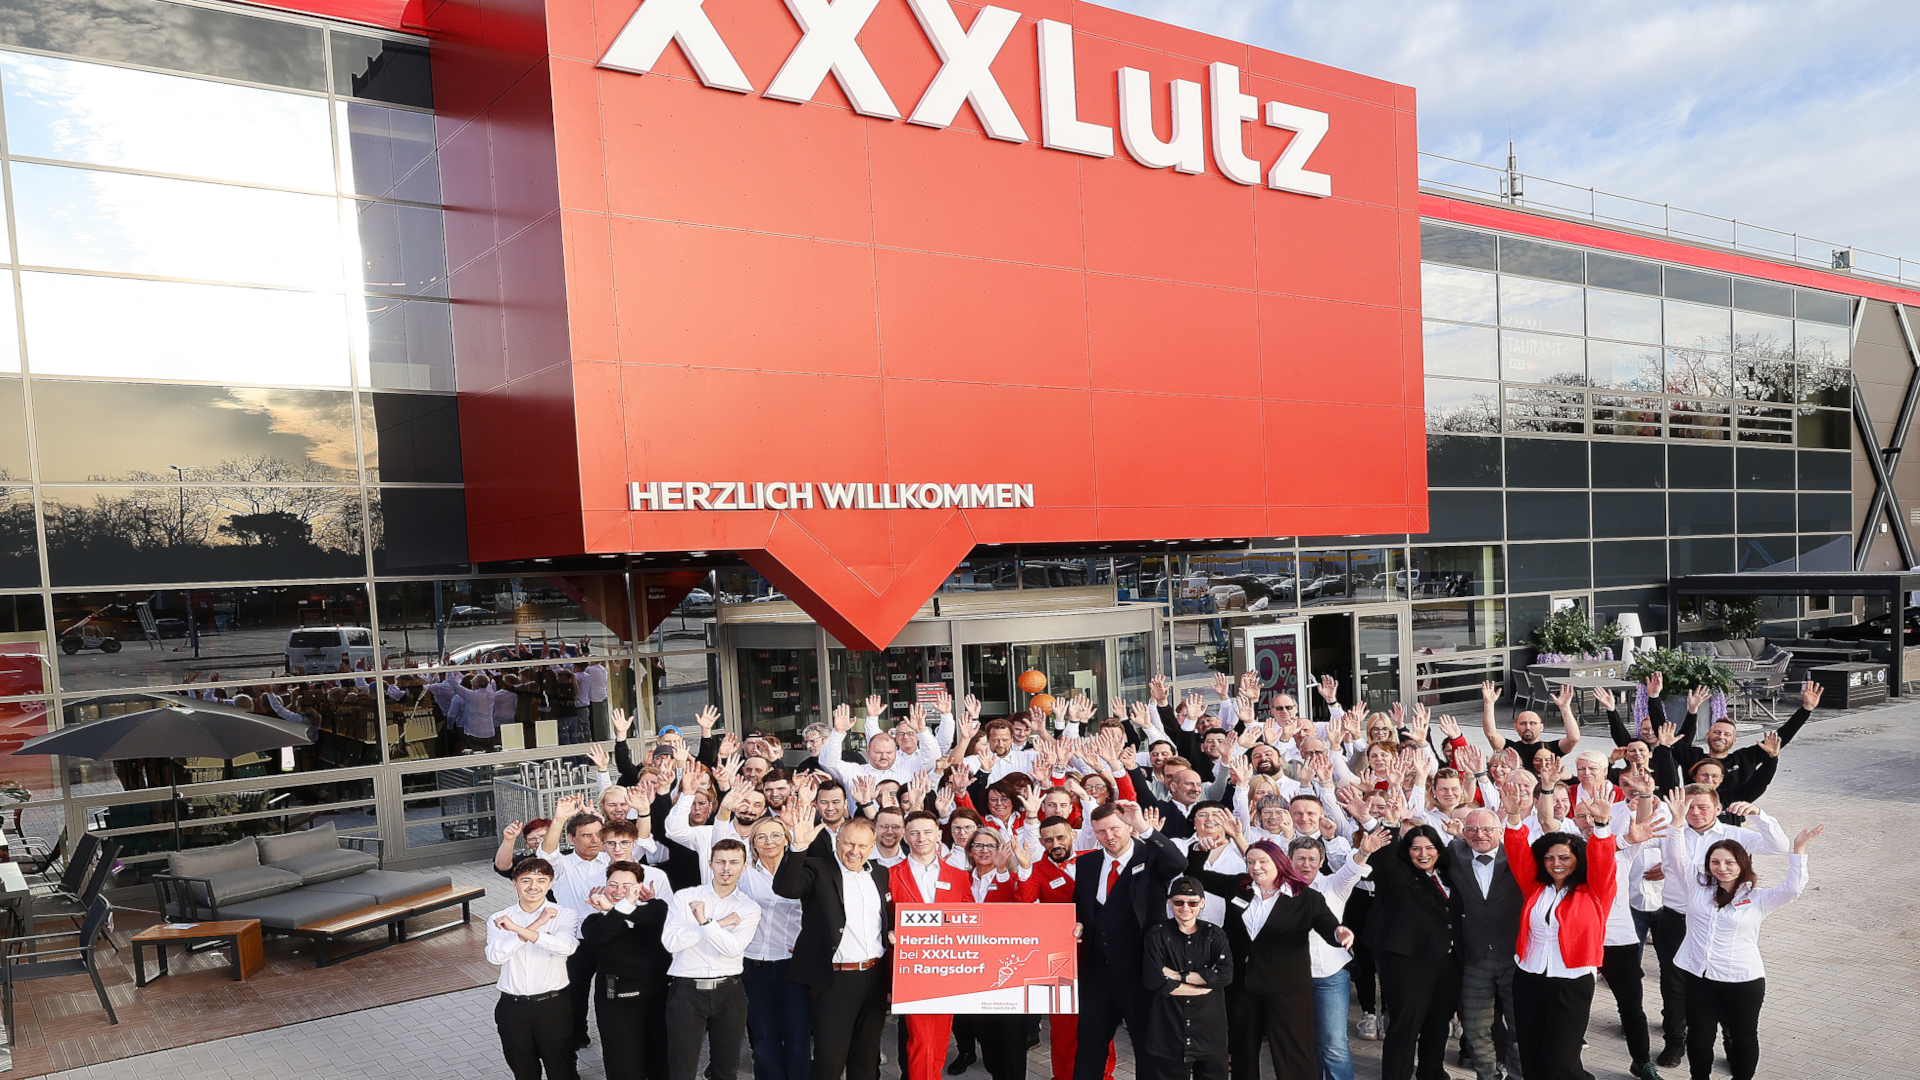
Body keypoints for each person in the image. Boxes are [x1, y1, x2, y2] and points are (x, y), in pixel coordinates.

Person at [1662, 790, 1822, 1080]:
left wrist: (1798, 851)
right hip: (1700, 977)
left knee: (1743, 1037)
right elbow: (1676, 857)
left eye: (1729, 863)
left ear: (1742, 865)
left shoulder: (1758, 898)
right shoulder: (1696, 888)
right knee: (1699, 1038)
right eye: (1715, 863)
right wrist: (1675, 823)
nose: (1722, 869)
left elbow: (1793, 889)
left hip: (1742, 981)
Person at [1649, 784, 1790, 1068]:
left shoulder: (1733, 834)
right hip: (1674, 919)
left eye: (1703, 806)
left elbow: (1778, 847)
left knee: (1722, 985)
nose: (1695, 812)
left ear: (1717, 808)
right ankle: (1675, 1041)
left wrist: (1759, 814)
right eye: (1689, 806)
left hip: (1721, 922)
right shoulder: (1672, 828)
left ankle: (1731, 1043)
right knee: (1674, 985)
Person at [1199, 839, 1351, 1080]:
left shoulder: (1305, 897)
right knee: (1243, 1053)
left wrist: (1339, 932)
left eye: (1262, 861)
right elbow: (1196, 873)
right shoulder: (1237, 886)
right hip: (1243, 985)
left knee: (1294, 1054)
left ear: (1279, 863)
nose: (1255, 867)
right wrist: (1200, 849)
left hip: (1287, 988)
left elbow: (1327, 924)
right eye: (1250, 862)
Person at [1499, 778, 1618, 1080]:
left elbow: (1604, 862)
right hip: (1528, 977)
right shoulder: (1535, 887)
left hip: (1572, 981)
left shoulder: (1594, 891)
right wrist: (1514, 817)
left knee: (1561, 1061)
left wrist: (1602, 824)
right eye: (1550, 858)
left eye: (1565, 857)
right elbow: (1516, 853)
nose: (1556, 863)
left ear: (1578, 859)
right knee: (1532, 1056)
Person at [776, 808, 893, 1080]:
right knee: (829, 1061)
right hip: (835, 981)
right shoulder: (816, 868)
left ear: (871, 847)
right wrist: (798, 847)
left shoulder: (879, 873)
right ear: (836, 841)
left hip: (874, 977)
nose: (855, 851)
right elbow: (787, 888)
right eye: (849, 843)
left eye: (862, 845)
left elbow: (884, 918)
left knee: (866, 1060)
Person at [1071, 801, 1185, 1080]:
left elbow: (1178, 862)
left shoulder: (1151, 857)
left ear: (1128, 827)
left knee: (1148, 1049)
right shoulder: (1087, 863)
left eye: (1114, 828)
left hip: (1140, 974)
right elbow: (1081, 907)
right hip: (1096, 974)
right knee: (1089, 1048)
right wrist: (1076, 924)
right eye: (1100, 832)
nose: (1109, 836)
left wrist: (1145, 828)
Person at [1367, 819, 1461, 1080]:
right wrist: (1391, 825)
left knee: (1438, 1023)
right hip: (1409, 963)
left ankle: (1431, 1072)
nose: (1423, 854)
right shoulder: (1398, 874)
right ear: (1406, 851)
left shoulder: (1447, 874)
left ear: (1438, 850)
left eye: (1429, 848)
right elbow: (1382, 862)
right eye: (1416, 849)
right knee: (1405, 1026)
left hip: (1447, 962)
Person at [660, 838, 762, 1080]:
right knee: (681, 1067)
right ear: (711, 864)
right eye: (721, 862)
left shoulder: (749, 907)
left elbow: (733, 949)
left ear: (744, 866)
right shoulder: (686, 897)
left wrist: (703, 922)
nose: (727, 868)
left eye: (734, 862)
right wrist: (717, 924)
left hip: (730, 992)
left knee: (726, 1069)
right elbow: (671, 943)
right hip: (686, 991)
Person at [888, 810, 972, 1080]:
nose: (920, 837)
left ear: (939, 835)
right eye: (913, 832)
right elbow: (881, 919)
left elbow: (972, 920)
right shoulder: (889, 875)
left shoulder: (959, 876)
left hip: (948, 970)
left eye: (927, 832)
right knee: (921, 1039)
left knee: (938, 1038)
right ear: (905, 837)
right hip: (911, 971)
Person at [1445, 808, 1524, 1080]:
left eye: (1487, 829)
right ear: (1463, 832)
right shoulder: (1454, 854)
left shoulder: (1516, 856)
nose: (1480, 834)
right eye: (1472, 829)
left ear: (1500, 831)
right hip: (1475, 955)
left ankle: (1517, 1075)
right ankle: (1487, 1075)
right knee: (1475, 1026)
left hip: (1515, 955)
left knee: (1519, 1025)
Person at [488, 858, 580, 1080]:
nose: (533, 886)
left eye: (541, 880)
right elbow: (495, 956)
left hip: (552, 1006)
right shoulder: (498, 918)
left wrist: (517, 930)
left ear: (549, 884)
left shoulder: (564, 914)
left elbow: (566, 947)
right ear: (515, 884)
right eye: (526, 880)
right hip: (512, 1007)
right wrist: (536, 926)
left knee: (561, 1069)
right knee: (523, 1071)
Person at [581, 859, 674, 1080]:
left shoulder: (656, 910)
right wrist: (616, 910)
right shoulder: (594, 920)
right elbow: (601, 935)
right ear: (604, 886)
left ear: (639, 887)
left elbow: (654, 916)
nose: (619, 890)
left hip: (658, 1000)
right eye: (613, 885)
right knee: (623, 1066)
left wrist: (615, 907)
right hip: (616, 1004)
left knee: (661, 1062)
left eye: (627, 886)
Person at [1138, 876, 1234, 1080]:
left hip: (1209, 1031)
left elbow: (1225, 975)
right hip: (1169, 1032)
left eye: (1192, 902)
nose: (1185, 908)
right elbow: (1154, 980)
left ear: (1202, 903)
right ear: (1169, 903)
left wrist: (1177, 976)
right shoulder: (1156, 935)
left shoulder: (1215, 935)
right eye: (1178, 902)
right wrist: (1202, 984)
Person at [738, 816, 811, 1080]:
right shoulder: (744, 876)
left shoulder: (803, 873)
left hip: (792, 965)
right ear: (753, 844)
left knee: (798, 1035)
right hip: (755, 964)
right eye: (761, 837)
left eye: (775, 836)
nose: (769, 842)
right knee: (764, 1035)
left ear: (787, 840)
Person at [540, 797, 609, 1052]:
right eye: (586, 835)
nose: (594, 840)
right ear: (571, 839)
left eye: (598, 834)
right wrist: (559, 819)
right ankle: (577, 1037)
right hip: (577, 942)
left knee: (609, 995)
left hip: (610, 939)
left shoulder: (614, 861)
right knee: (575, 995)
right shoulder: (561, 866)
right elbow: (547, 853)